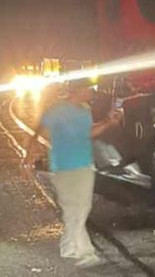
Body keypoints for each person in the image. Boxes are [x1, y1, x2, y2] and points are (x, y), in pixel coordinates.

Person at [21, 78, 121, 267]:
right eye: (89, 89)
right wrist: (29, 158)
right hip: (63, 166)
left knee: (81, 208)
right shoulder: (57, 109)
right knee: (72, 207)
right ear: (78, 90)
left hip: (84, 164)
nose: (92, 92)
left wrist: (108, 122)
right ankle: (85, 252)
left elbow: (88, 132)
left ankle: (68, 247)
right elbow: (40, 132)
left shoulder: (85, 110)